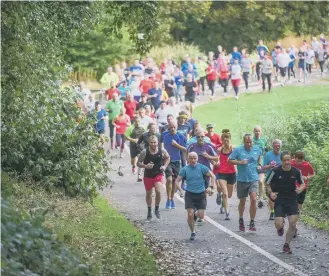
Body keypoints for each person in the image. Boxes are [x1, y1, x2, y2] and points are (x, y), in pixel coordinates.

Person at [266, 151, 306, 254]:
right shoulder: (275, 171)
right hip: (280, 199)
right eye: (284, 160)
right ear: (281, 161)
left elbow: (302, 184)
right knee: (278, 224)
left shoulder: (296, 172)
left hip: (292, 199)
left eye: (288, 160)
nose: (287, 162)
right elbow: (267, 184)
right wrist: (271, 193)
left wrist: (300, 189)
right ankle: (280, 227)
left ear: (291, 159)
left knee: (292, 223)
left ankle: (287, 244)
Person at [175, 152, 216, 240]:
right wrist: (181, 190)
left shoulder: (202, 167)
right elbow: (177, 181)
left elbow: (213, 176)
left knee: (201, 216)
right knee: (190, 214)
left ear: (197, 159)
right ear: (188, 159)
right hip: (190, 194)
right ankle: (193, 232)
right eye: (191, 158)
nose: (193, 160)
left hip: (201, 194)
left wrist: (210, 187)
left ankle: (196, 215)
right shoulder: (185, 169)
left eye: (195, 158)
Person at [229, 134, 262, 232]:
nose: (249, 144)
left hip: (253, 178)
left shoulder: (257, 149)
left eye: (250, 142)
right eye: (247, 142)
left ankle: (252, 222)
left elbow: (259, 158)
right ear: (244, 142)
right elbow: (229, 160)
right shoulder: (238, 150)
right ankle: (241, 218)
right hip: (242, 179)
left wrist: (260, 165)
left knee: (253, 199)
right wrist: (240, 162)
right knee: (242, 201)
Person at [137, 135, 170, 220]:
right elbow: (138, 163)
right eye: (151, 142)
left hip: (158, 174)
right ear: (149, 143)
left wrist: (164, 166)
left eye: (155, 142)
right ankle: (149, 210)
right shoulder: (145, 152)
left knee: (158, 191)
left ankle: (156, 209)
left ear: (157, 142)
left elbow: (168, 157)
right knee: (149, 193)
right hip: (148, 175)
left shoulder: (161, 150)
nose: (153, 144)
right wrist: (145, 166)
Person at [161, 121, 187, 209]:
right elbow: (160, 143)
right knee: (168, 179)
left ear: (177, 127)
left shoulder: (181, 136)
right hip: (167, 160)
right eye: (171, 127)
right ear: (168, 127)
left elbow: (185, 149)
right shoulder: (164, 135)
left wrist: (176, 145)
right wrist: (162, 152)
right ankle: (168, 199)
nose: (172, 129)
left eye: (174, 127)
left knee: (174, 181)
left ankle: (171, 199)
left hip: (177, 161)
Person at [213, 132, 236, 220]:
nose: (226, 140)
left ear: (230, 139)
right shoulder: (219, 150)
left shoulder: (233, 149)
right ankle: (227, 212)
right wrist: (216, 163)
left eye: (228, 138)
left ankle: (223, 203)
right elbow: (215, 160)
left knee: (229, 195)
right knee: (225, 194)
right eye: (224, 139)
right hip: (222, 173)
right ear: (222, 140)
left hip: (232, 173)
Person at [262, 139, 282, 220]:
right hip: (271, 176)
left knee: (280, 195)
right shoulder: (268, 155)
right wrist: (270, 166)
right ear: (273, 146)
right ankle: (272, 211)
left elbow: (288, 165)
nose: (277, 146)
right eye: (275, 145)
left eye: (279, 145)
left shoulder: (283, 154)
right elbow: (263, 167)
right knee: (271, 195)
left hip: (281, 177)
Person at [124, 116, 146, 181]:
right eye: (136, 122)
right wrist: (133, 140)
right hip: (133, 146)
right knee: (133, 160)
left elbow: (145, 135)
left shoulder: (143, 127)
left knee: (140, 159)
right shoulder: (131, 128)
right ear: (134, 122)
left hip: (141, 146)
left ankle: (139, 176)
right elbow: (125, 136)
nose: (137, 123)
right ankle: (133, 166)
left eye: (138, 121)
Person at [252, 125, 268, 208]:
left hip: (262, 163)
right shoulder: (251, 140)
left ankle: (261, 199)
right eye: (256, 131)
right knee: (253, 182)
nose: (257, 132)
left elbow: (266, 151)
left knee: (261, 181)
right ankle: (254, 196)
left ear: (261, 132)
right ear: (253, 132)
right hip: (252, 164)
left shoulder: (264, 140)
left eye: (259, 131)